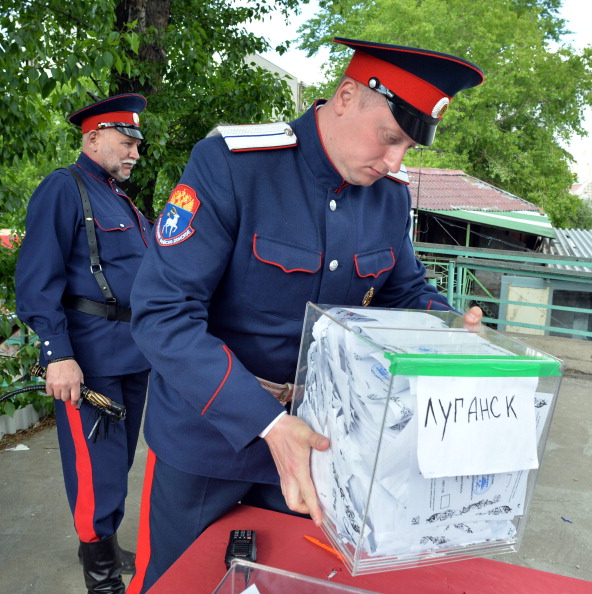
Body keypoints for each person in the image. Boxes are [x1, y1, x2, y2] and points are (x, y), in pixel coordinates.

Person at [127, 37, 484, 592]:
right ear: (346, 97)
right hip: (207, 439)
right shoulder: (234, 165)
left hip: (322, 441)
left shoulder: (389, 195)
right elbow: (161, 314)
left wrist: (449, 328)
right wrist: (266, 422)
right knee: (181, 582)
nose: (396, 160)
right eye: (391, 138)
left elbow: (404, 291)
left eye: (409, 148)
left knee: (291, 580)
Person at [15, 93, 152, 594]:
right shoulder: (64, 188)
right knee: (96, 470)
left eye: (137, 143)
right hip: (89, 359)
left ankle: (104, 544)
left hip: (132, 353)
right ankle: (101, 577)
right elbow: (36, 282)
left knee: (118, 464)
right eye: (126, 141)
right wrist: (58, 355)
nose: (135, 152)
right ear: (93, 138)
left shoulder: (119, 198)